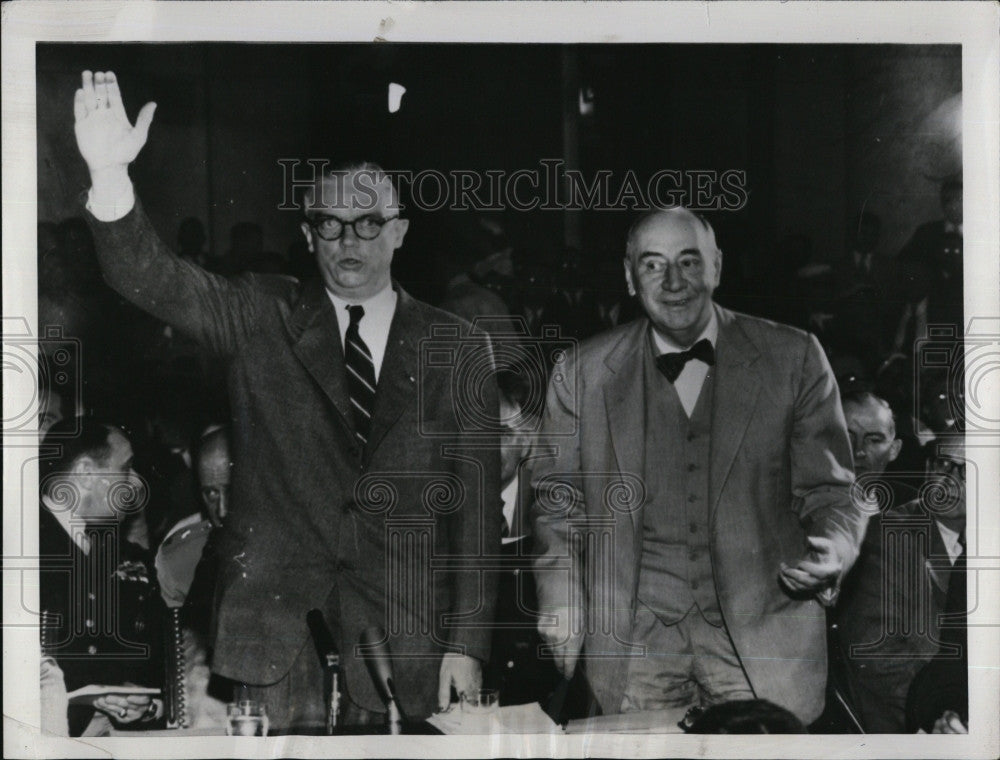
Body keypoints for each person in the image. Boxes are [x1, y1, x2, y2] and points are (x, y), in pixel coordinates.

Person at [73, 70, 500, 731]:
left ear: (400, 231)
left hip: (407, 639)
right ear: (307, 236)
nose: (348, 242)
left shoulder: (459, 345)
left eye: (368, 223)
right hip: (274, 638)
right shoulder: (262, 317)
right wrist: (109, 176)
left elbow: (475, 518)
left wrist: (467, 644)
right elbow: (153, 280)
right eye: (329, 224)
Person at [530, 207, 865, 725]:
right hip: (634, 648)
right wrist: (561, 599)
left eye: (689, 262)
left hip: (760, 640)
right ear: (628, 275)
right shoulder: (582, 372)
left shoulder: (793, 356)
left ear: (717, 266)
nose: (673, 282)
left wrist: (836, 550)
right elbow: (558, 505)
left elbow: (833, 492)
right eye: (653, 265)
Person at [39, 418, 165, 736]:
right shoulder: (21, 546)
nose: (135, 482)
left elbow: (155, 658)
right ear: (85, 473)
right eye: (126, 468)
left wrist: (145, 705)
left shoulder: (128, 556)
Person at [836, 442, 967, 732]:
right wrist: (941, 710)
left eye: (967, 471)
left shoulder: (982, 543)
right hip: (910, 724)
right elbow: (873, 653)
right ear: (928, 469)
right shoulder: (888, 535)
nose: (952, 479)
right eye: (944, 464)